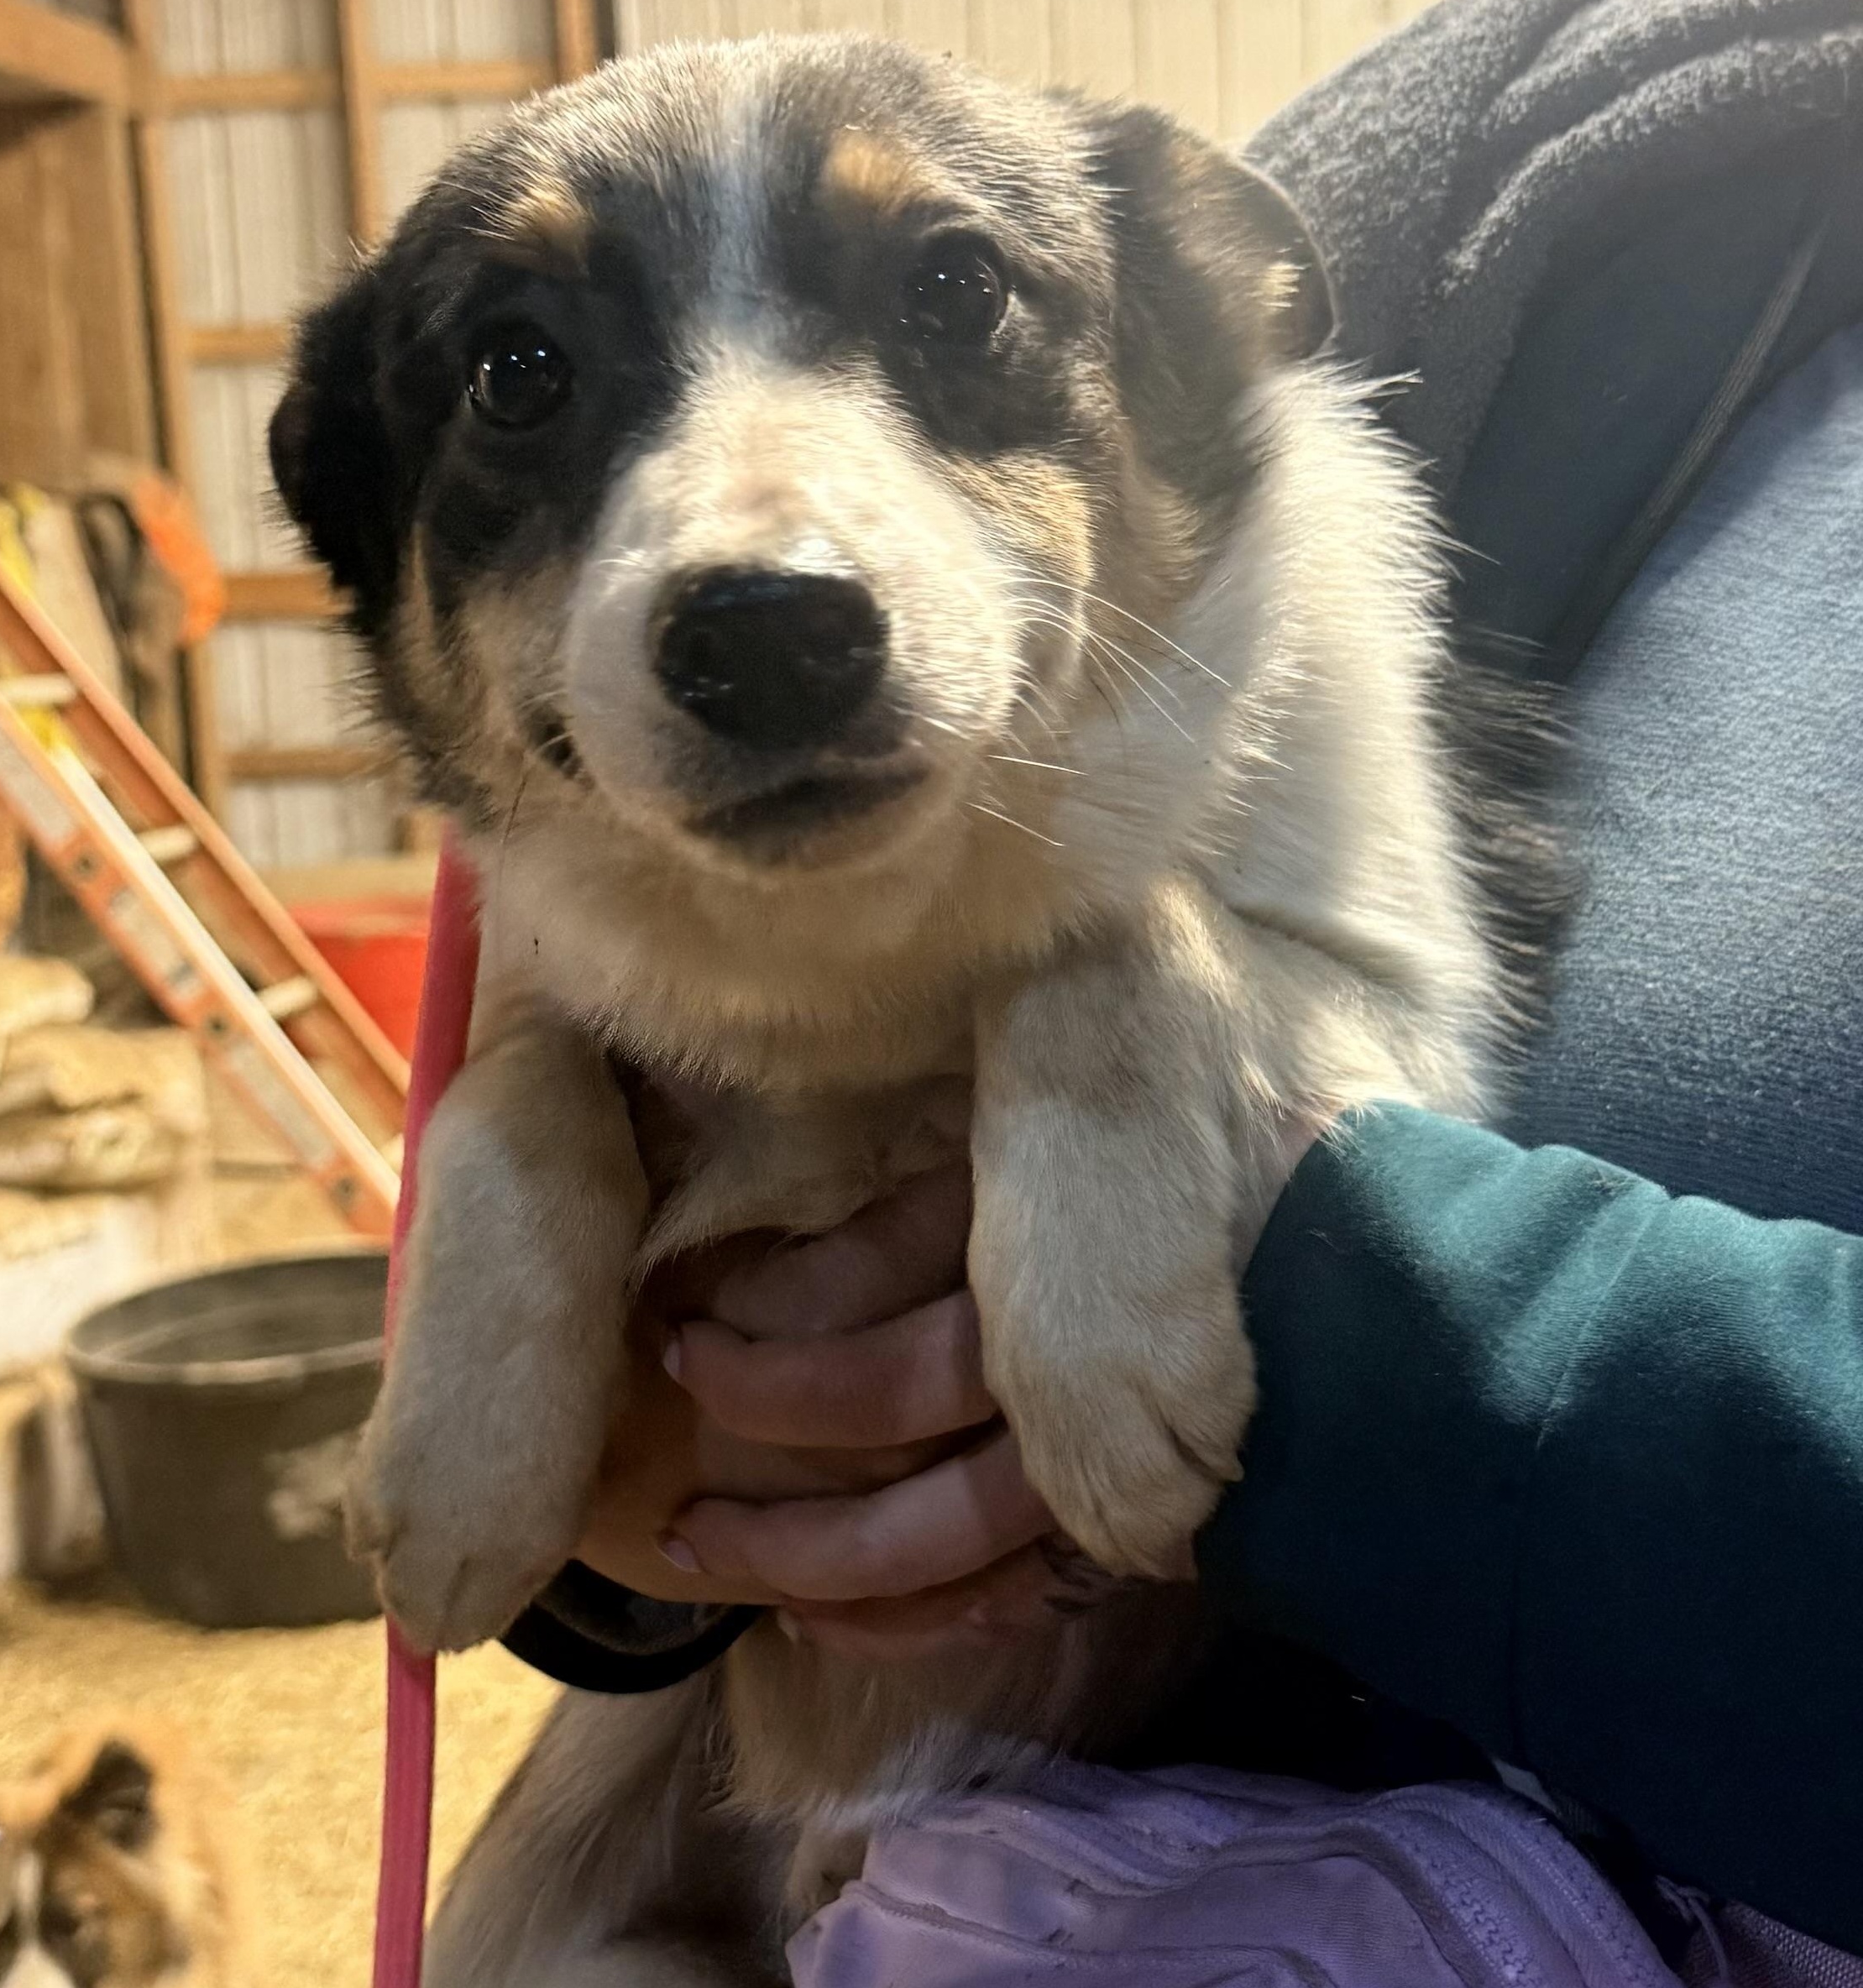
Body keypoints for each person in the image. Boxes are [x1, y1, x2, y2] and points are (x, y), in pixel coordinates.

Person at [495, 0, 1863, 1964]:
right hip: (875, 1831)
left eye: (950, 294)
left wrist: (1340, 1319)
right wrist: (634, 1523)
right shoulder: (1503, 134)